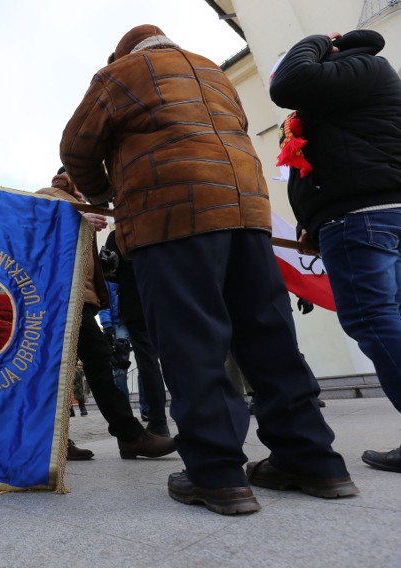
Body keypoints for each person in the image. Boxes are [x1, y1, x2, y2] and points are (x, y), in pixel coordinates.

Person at [60, 24, 357, 515]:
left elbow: (76, 148)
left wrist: (103, 195)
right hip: (245, 214)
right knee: (269, 338)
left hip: (172, 218)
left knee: (192, 341)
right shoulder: (213, 72)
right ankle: (313, 460)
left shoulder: (119, 73)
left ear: (124, 52)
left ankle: (216, 474)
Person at [270, 30, 401, 474]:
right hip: (366, 215)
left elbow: (286, 83)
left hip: (362, 217)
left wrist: (310, 40)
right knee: (389, 318)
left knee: (373, 318)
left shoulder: (362, 67)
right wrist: (313, 218)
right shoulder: (354, 84)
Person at [37, 168, 176, 461]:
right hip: (62, 295)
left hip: (77, 297)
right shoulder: (51, 196)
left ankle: (61, 442)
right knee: (91, 362)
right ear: (72, 177)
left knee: (67, 368)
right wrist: (74, 222)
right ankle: (130, 436)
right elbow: (31, 225)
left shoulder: (79, 206)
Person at [101, 230, 171, 437]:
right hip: (167, 298)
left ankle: (159, 422)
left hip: (136, 303)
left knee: (147, 362)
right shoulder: (163, 223)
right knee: (165, 360)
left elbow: (110, 273)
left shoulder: (120, 233)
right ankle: (161, 419)